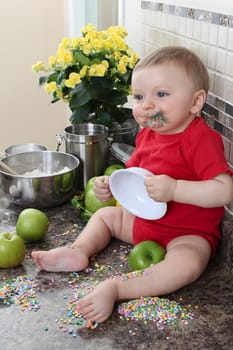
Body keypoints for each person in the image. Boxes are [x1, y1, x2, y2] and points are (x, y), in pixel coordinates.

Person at [32, 46, 233, 324]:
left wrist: (175, 189)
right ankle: (78, 252)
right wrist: (110, 186)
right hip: (142, 224)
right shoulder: (148, 134)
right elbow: (133, 174)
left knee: (187, 265)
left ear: (196, 102)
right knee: (105, 216)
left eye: (161, 94)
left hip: (186, 235)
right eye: (139, 96)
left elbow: (224, 189)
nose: (147, 104)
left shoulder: (200, 139)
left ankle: (117, 288)